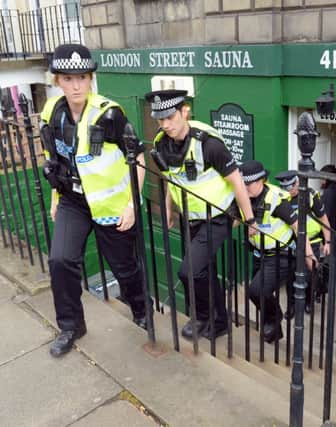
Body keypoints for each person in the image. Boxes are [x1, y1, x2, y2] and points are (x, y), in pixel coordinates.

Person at [40, 44, 148, 358]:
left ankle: (141, 310)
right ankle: (71, 326)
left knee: (125, 268)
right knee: (60, 260)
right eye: (68, 78)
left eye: (83, 77)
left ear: (90, 79)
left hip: (111, 207)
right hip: (73, 200)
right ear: (57, 80)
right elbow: (54, 157)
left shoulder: (109, 114)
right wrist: (55, 196)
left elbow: (137, 157)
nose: (76, 85)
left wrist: (132, 204)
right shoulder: (51, 112)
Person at [145, 89, 255, 341]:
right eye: (160, 119)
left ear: (185, 112)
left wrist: (249, 220)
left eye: (170, 117)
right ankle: (219, 322)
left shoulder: (209, 144)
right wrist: (169, 209)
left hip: (218, 217)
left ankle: (203, 317)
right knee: (203, 269)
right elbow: (171, 179)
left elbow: (237, 181)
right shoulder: (163, 142)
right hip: (191, 216)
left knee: (189, 271)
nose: (165, 124)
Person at [240, 160, 316, 342]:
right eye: (243, 184)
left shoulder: (276, 200)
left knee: (256, 291)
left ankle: (275, 319)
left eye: (248, 184)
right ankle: (274, 331)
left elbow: (299, 227)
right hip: (260, 254)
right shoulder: (244, 198)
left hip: (280, 256)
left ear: (261, 181)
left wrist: (308, 254)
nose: (245, 187)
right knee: (261, 293)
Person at [275, 170, 331, 316]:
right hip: (290, 243)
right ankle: (291, 307)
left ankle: (309, 302)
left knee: (310, 274)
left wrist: (328, 242)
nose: (289, 190)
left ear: (298, 182)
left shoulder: (310, 195)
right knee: (290, 276)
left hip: (311, 242)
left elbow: (324, 219)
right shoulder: (281, 197)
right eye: (285, 187)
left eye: (291, 186)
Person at [320, 164, 336, 230]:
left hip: (330, 226)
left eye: (322, 177)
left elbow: (325, 214)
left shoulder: (328, 192)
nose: (320, 180)